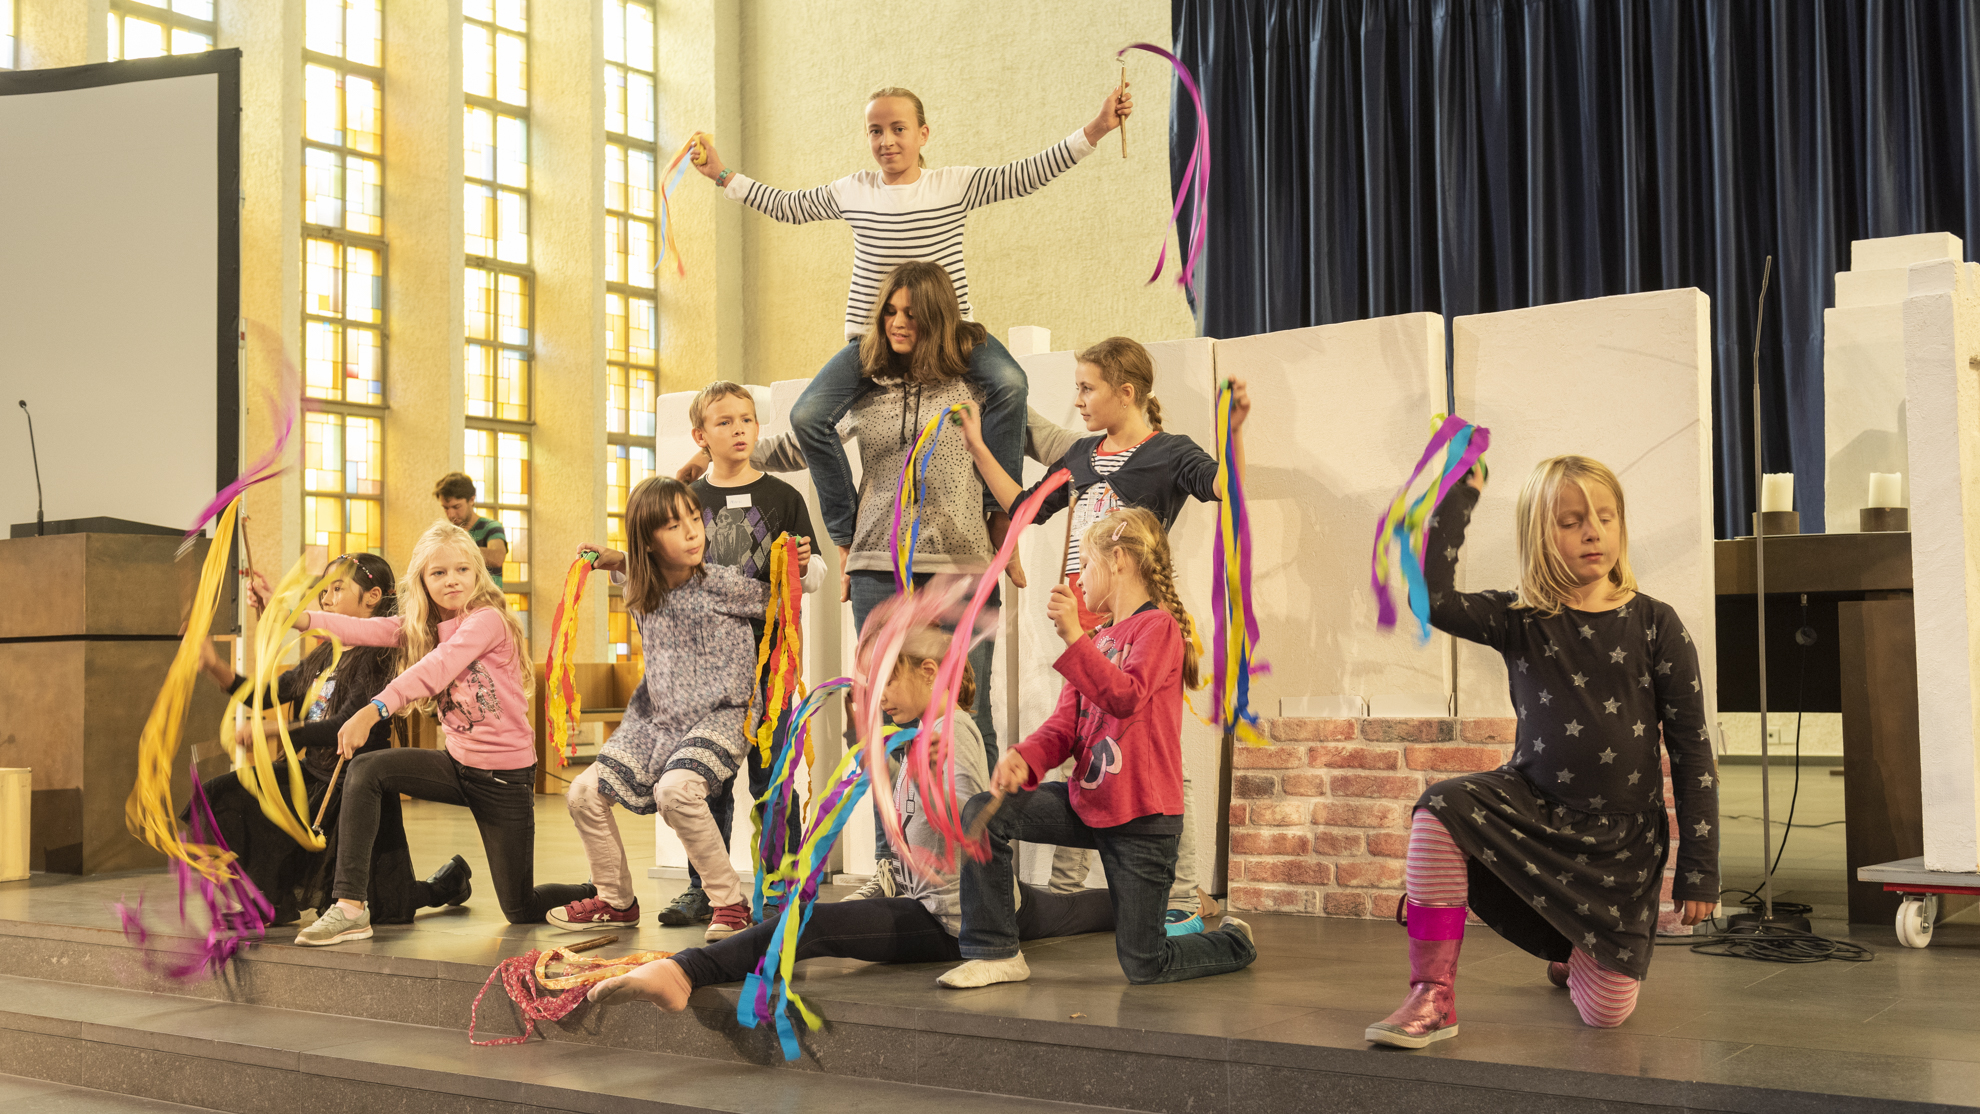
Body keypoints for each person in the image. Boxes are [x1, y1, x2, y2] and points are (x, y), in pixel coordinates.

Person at [687, 83, 1132, 570]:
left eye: (898, 129)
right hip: (874, 341)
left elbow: (1025, 174)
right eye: (875, 131)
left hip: (950, 337)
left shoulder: (952, 185)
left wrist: (1098, 127)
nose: (886, 141)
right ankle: (847, 536)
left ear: (923, 133)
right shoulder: (854, 190)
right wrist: (721, 174)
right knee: (808, 415)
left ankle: (1001, 516)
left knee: (1009, 382)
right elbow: (788, 205)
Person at [1365, 456, 1720, 1047]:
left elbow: (1692, 752)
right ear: (1539, 535)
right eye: (1572, 521)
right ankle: (1432, 994)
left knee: (1606, 1014)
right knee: (1439, 808)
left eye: (1605, 517)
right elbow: (1432, 600)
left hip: (1619, 845)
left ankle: (1574, 949)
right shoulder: (1521, 618)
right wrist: (1458, 501)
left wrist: (1700, 869)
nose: (1592, 532)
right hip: (1533, 809)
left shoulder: (1658, 624)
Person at [688, 261, 1010, 903]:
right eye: (888, 312)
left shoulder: (975, 385)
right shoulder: (865, 387)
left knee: (967, 715)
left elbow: (1028, 441)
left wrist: (1070, 481)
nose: (896, 323)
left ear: (936, 317)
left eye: (910, 314)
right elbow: (803, 435)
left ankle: (982, 871)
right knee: (883, 715)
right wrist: (716, 457)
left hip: (962, 564)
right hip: (875, 563)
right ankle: (895, 865)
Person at [583, 623, 1114, 1012]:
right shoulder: (919, 737)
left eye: (886, 682)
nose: (878, 698)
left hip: (956, 923)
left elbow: (975, 821)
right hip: (980, 903)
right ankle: (1142, 902)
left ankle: (683, 973)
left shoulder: (953, 732)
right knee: (1091, 909)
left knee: (814, 924)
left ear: (929, 672)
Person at [960, 338, 1251, 933]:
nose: (1078, 399)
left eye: (1087, 388)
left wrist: (1235, 430)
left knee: (1161, 760)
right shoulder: (1083, 454)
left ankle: (1182, 894)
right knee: (1082, 746)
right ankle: (1068, 891)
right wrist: (978, 447)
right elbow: (1026, 506)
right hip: (1083, 624)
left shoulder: (1169, 453)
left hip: (1133, 628)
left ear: (1126, 392)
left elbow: (1225, 487)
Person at [940, 508, 1257, 989]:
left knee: (1145, 963)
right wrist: (1026, 755)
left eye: (1085, 565)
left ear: (1119, 560)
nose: (1078, 579)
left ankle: (1235, 941)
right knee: (985, 813)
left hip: (1143, 819)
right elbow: (1064, 727)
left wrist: (1072, 636)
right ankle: (995, 951)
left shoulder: (1159, 629)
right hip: (1087, 803)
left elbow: (1125, 696)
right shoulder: (1097, 639)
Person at [287, 521, 594, 945]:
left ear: (477, 573)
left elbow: (437, 667)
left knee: (519, 908)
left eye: (462, 570)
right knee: (367, 770)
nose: (452, 580)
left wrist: (372, 710)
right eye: (439, 573)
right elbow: (367, 629)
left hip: (504, 778)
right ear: (423, 581)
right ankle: (350, 907)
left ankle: (599, 893)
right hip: (456, 766)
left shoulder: (487, 620)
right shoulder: (425, 626)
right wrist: (301, 619)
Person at [553, 478, 803, 941]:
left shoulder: (721, 584)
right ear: (648, 541)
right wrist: (616, 559)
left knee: (676, 791)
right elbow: (636, 567)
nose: (692, 532)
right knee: (583, 793)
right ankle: (615, 901)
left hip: (722, 713)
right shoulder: (639, 589)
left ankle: (729, 903)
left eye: (694, 519)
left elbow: (782, 604)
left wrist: (796, 567)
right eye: (673, 525)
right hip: (658, 718)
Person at [191, 554, 454, 926]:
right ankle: (269, 904)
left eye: (338, 589)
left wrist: (276, 730)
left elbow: (343, 726)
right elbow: (264, 695)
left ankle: (448, 883)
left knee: (386, 902)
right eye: (324, 590)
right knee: (222, 796)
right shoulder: (324, 653)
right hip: (312, 776)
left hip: (354, 788)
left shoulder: (379, 655)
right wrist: (214, 665)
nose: (326, 598)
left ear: (372, 597)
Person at [650, 381, 826, 930]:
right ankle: (706, 888)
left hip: (771, 665)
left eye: (747, 419)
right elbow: (660, 568)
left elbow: (817, 574)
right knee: (707, 782)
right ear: (700, 435)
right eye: (724, 422)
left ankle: (779, 888)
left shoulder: (784, 497)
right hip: (705, 669)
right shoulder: (687, 500)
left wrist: (805, 565)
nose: (739, 430)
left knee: (773, 780)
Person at [434, 472, 508, 588]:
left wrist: (457, 549)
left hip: (488, 597)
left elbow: (497, 558)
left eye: (456, 507)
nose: (451, 514)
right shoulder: (449, 533)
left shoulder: (491, 527)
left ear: (472, 500)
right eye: (446, 508)